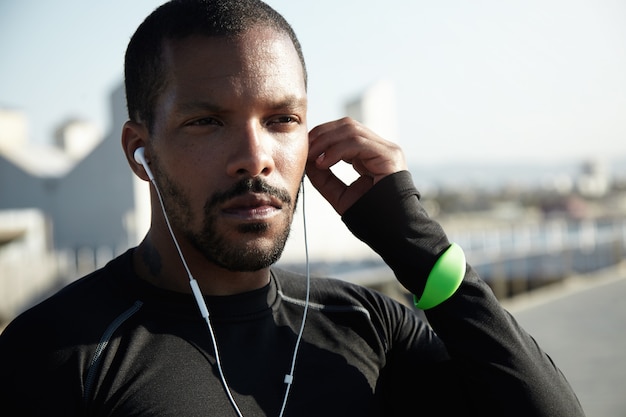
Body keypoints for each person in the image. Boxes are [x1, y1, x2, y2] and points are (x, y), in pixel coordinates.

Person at [0, 1, 585, 416]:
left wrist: (418, 243)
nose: (255, 158)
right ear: (140, 151)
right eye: (207, 122)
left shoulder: (367, 327)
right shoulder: (62, 353)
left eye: (282, 120)